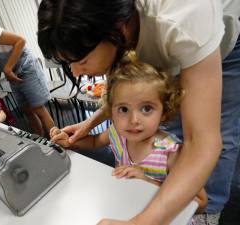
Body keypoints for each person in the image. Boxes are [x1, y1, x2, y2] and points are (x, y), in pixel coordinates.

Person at [37, 0, 240, 224]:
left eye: (82, 60)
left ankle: (209, 215)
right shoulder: (121, 30)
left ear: (117, 30)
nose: (75, 73)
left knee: (216, 129)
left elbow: (202, 141)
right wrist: (88, 125)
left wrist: (141, 222)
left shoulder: (183, 17)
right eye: (69, 64)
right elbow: (128, 94)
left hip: (220, 43)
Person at [50, 60, 207, 215]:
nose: (133, 120)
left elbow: (200, 203)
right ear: (111, 111)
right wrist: (70, 142)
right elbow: (93, 141)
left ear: (164, 112)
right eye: (123, 109)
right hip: (129, 207)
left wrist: (147, 182)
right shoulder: (118, 134)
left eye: (146, 108)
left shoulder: (170, 152)